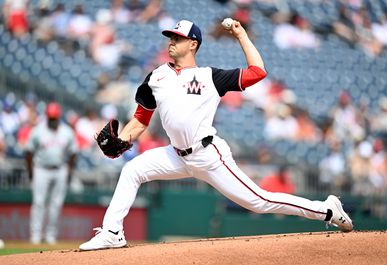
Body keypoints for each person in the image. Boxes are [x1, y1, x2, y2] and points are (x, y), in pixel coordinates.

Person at [79, 19, 353, 251]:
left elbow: (258, 72)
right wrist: (123, 141)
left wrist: (241, 34)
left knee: (259, 202)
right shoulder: (156, 77)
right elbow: (140, 120)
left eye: (178, 37)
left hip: (208, 155)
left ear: (193, 44)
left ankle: (327, 210)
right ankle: (112, 233)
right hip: (175, 155)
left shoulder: (210, 77)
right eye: (170, 37)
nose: (171, 41)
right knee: (133, 170)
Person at [26, 102, 77, 244]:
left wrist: (69, 172)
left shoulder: (66, 131)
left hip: (60, 169)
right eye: (51, 118)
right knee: (38, 203)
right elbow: (29, 152)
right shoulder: (38, 130)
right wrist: (31, 172)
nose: (53, 120)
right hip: (41, 169)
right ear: (47, 117)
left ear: (58, 117)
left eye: (55, 118)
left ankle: (50, 235)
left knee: (56, 204)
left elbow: (73, 153)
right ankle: (35, 236)